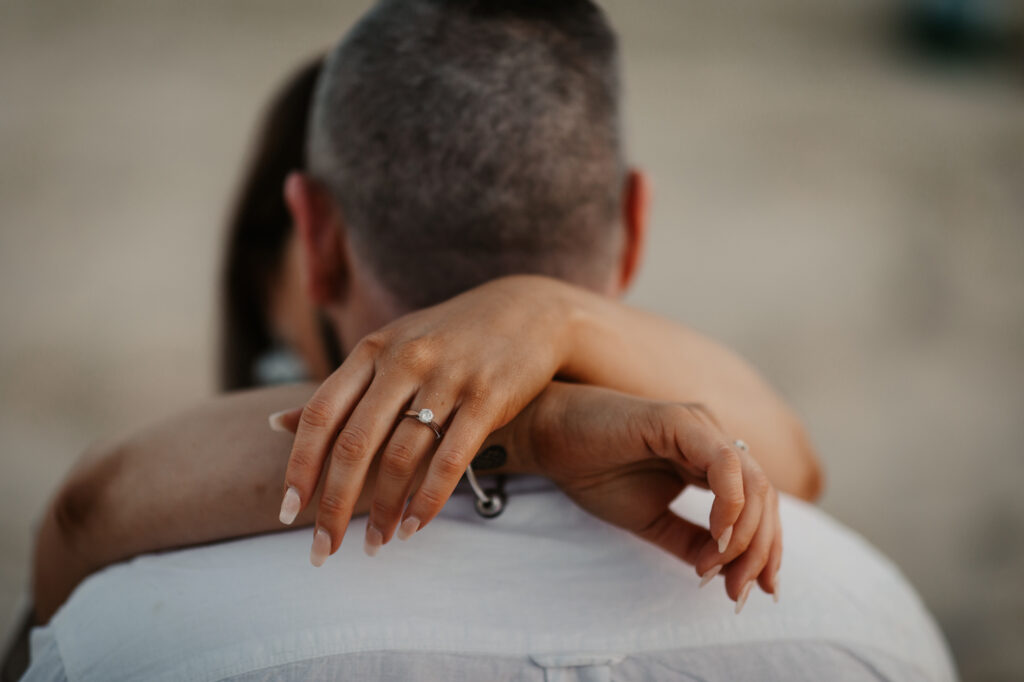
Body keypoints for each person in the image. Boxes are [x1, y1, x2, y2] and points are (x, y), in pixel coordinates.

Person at [20, 1, 954, 680]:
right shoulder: (878, 623)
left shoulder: (129, 642)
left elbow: (81, 518)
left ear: (317, 239)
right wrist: (547, 368)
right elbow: (797, 459)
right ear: (633, 221)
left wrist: (543, 374)